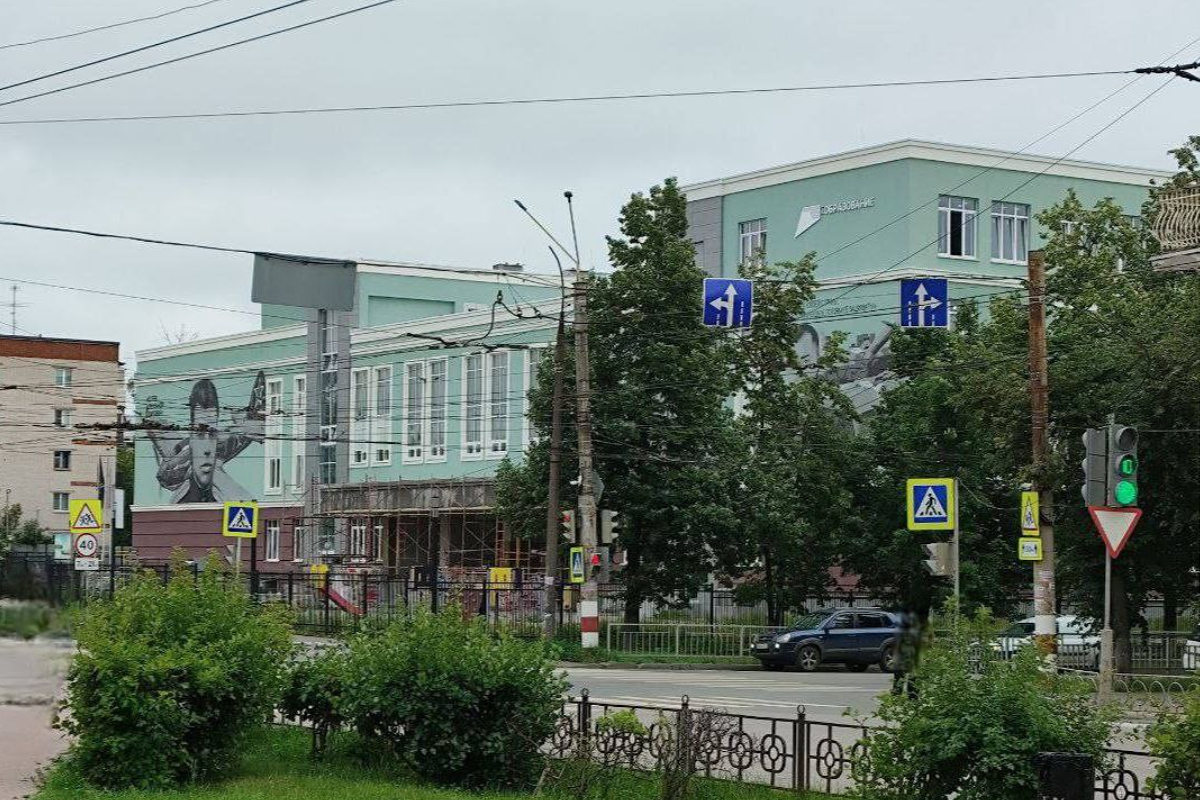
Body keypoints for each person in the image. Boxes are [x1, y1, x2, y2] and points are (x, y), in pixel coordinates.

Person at [152, 374, 264, 503]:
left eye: (212, 434)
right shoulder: (181, 454)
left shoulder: (222, 449)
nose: (207, 451)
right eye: (199, 434)